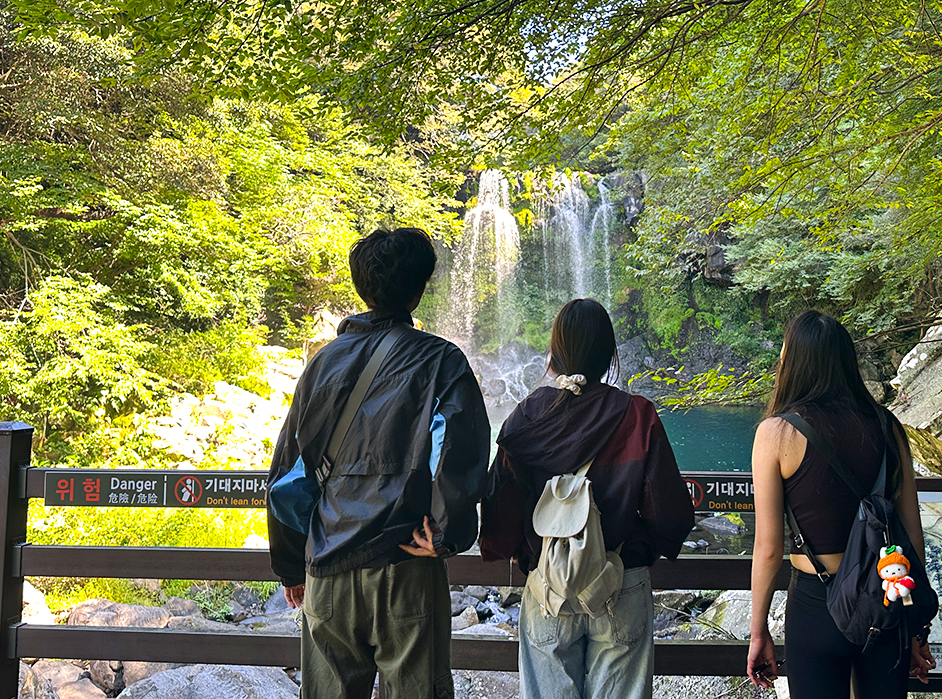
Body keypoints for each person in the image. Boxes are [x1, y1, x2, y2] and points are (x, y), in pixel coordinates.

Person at [267, 228, 490, 699]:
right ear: (419, 289)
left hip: (328, 568)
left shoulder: (322, 363)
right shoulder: (441, 361)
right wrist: (448, 535)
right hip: (405, 564)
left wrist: (291, 565)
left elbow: (290, 467)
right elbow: (458, 449)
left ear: (361, 287)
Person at [480, 298, 695, 699]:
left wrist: (518, 552)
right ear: (609, 355)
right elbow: (671, 514)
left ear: (554, 354)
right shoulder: (637, 415)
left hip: (548, 585)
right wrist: (637, 551)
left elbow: (500, 508)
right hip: (619, 581)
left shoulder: (526, 417)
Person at [745, 311, 936, 698]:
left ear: (794, 364)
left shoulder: (777, 433)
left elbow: (768, 549)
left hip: (816, 607)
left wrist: (758, 630)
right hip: (884, 600)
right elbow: (912, 536)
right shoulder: (887, 426)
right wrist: (915, 629)